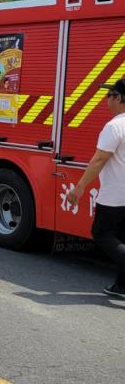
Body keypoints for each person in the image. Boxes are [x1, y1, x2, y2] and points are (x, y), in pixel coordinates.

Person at [68, 79, 125, 299]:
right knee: (121, 238)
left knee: (102, 234)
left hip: (115, 196)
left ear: (120, 98)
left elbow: (99, 159)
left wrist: (80, 187)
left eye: (109, 95)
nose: (106, 100)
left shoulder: (115, 126)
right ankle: (121, 286)